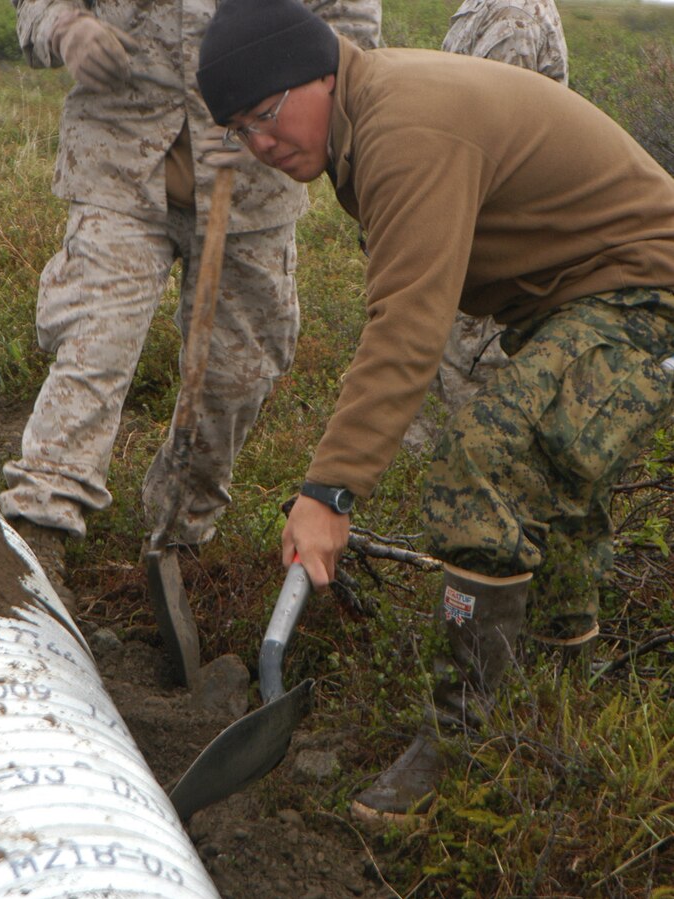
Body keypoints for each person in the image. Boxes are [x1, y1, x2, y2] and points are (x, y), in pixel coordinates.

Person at [196, 0, 674, 824]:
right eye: (240, 131)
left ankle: (458, 747)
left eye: (267, 114)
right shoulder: (367, 114)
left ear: (320, 70)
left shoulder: (403, 128)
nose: (262, 145)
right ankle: (560, 693)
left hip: (645, 292)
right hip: (588, 298)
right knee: (552, 477)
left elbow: (408, 328)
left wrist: (330, 492)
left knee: (483, 460)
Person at [2, 0, 381, 615]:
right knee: (93, 342)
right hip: (119, 162)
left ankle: (179, 534)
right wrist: (64, 28)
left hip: (255, 171)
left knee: (238, 374)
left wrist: (270, 101)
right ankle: (40, 530)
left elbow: (351, 37)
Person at [438, 0, 569, 413]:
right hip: (472, 220)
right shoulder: (487, 6)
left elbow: (487, 136)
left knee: (474, 377)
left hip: (493, 229)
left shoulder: (513, 16)